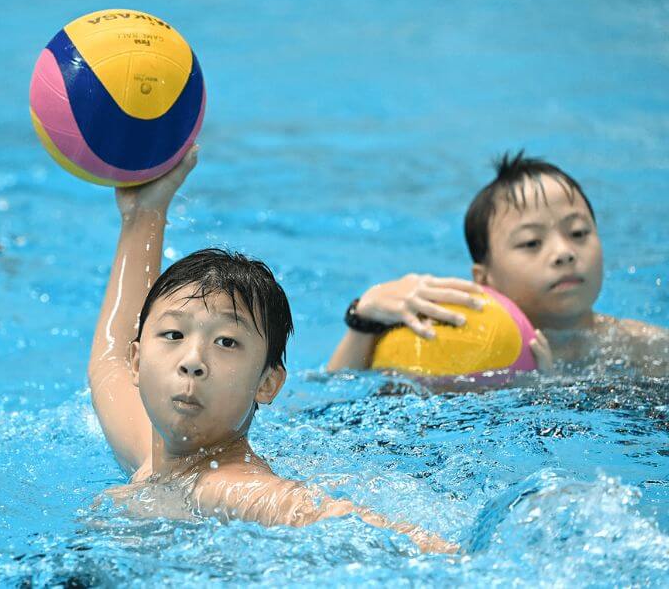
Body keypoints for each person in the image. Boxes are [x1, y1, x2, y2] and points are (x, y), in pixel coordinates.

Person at [89, 146, 456, 553]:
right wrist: (144, 215)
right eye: (173, 335)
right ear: (138, 361)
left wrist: (448, 555)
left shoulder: (227, 486)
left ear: (267, 383)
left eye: (226, 342)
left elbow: (326, 517)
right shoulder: (153, 457)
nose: (192, 361)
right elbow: (108, 360)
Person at [326, 152, 668, 377]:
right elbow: (333, 407)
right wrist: (363, 318)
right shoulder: (449, 339)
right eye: (531, 242)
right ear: (484, 278)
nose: (564, 252)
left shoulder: (644, 348)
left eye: (578, 232)